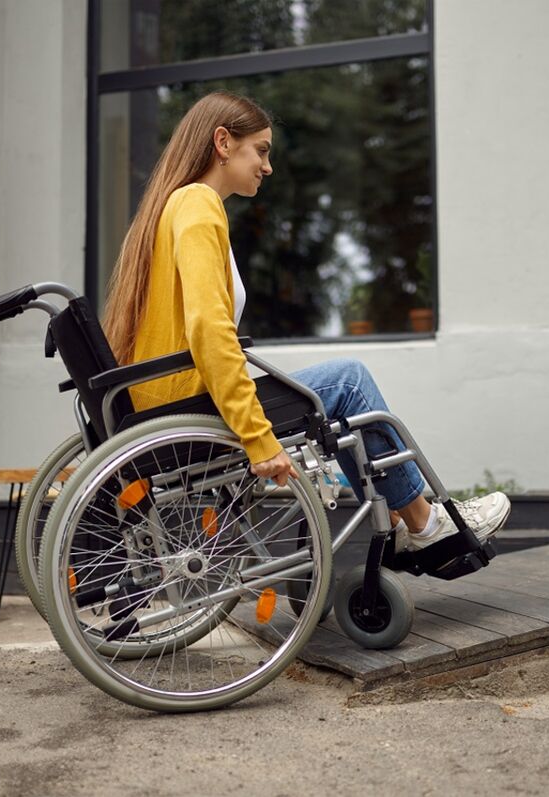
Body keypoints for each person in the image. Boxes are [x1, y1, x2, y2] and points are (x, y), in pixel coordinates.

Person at [102, 91, 510, 551]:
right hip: (192, 407)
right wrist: (258, 439)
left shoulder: (174, 206)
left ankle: (403, 517)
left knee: (339, 395)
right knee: (349, 382)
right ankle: (425, 522)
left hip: (170, 404)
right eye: (260, 149)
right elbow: (208, 330)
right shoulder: (197, 204)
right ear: (222, 142)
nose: (267, 166)